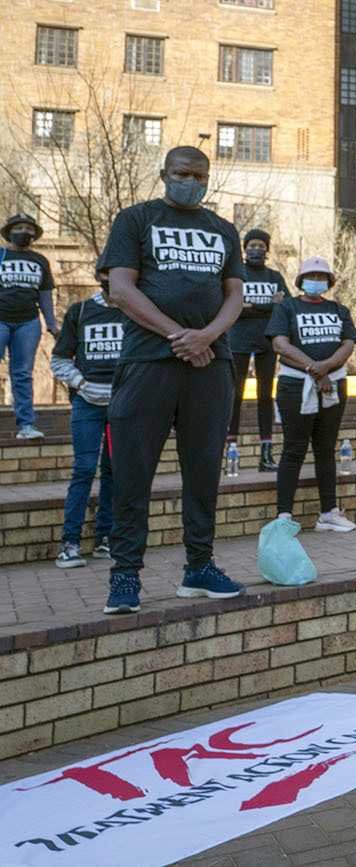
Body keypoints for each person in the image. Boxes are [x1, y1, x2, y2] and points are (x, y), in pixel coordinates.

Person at [98, 145, 247, 614]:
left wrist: (206, 337)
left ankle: (199, 567)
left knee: (203, 471)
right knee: (133, 472)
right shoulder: (136, 219)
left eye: (200, 174)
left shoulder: (223, 229)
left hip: (212, 365)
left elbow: (235, 296)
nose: (191, 180)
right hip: (148, 362)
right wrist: (178, 335)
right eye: (182, 172)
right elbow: (120, 289)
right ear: (165, 174)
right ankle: (125, 576)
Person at [265, 259, 356, 531]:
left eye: (321, 275)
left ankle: (329, 512)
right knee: (293, 449)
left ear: (329, 281)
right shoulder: (287, 307)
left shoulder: (338, 309)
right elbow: (280, 344)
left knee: (325, 449)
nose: (316, 279)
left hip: (334, 384)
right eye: (311, 275)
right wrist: (314, 369)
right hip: (295, 386)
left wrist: (326, 368)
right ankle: (284, 515)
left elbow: (348, 343)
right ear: (301, 280)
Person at [50, 265, 123, 567]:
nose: (113, 281)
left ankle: (104, 537)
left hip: (123, 406)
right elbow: (59, 359)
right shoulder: (80, 311)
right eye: (107, 276)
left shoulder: (139, 312)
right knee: (83, 469)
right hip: (88, 405)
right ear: (99, 278)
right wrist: (82, 384)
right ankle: (69, 544)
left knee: (114, 472)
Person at [229, 228, 288, 472]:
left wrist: (250, 305)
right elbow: (233, 307)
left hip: (266, 342)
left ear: (267, 250)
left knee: (266, 396)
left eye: (261, 246)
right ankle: (230, 453)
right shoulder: (236, 274)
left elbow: (284, 307)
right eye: (252, 245)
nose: (256, 250)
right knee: (235, 396)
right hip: (237, 342)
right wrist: (266, 306)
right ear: (245, 248)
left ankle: (266, 455)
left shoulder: (274, 276)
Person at [0, 212, 59, 439]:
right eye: (19, 228)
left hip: (28, 322)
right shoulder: (1, 254)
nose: (24, 232)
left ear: (35, 234)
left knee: (22, 373)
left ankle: (26, 426)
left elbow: (45, 295)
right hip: (1, 318)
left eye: (29, 229)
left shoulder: (40, 260)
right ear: (9, 232)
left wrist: (52, 325)